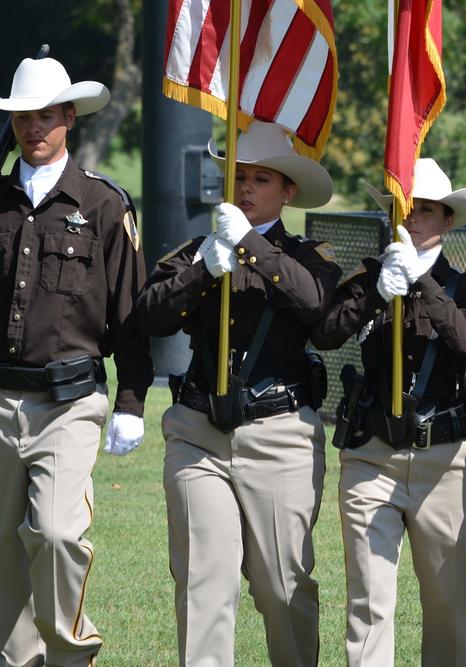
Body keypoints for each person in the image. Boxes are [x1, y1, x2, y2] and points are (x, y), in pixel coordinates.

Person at [0, 56, 153, 666]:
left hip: (68, 403)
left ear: (69, 116)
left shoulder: (103, 204)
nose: (32, 126)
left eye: (45, 114)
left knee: (54, 533)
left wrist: (130, 402)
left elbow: (131, 314)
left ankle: (71, 653)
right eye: (21, 115)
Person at [134, 120, 341, 666]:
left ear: (287, 192)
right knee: (203, 582)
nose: (245, 188)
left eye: (260, 179)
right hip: (198, 433)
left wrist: (248, 244)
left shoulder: (309, 255)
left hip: (280, 435)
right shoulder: (196, 251)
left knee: (281, 586)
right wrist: (205, 267)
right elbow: (151, 314)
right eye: (237, 177)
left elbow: (316, 304)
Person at [311, 158, 466, 666]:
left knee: (452, 605)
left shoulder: (465, 287)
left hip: (444, 462)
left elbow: (465, 339)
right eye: (402, 209)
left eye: (425, 211)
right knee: (368, 605)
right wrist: (374, 294)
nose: (411, 219)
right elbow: (325, 334)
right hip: (372, 455)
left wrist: (424, 286)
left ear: (447, 220)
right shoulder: (370, 276)